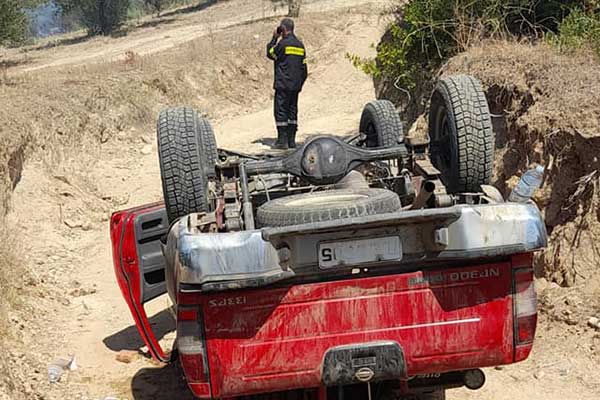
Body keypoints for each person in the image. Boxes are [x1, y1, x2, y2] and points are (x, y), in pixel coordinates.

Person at [266, 18, 308, 149]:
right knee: (292, 112)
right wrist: (299, 84)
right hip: (295, 86)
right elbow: (304, 69)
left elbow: (270, 53)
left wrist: (274, 38)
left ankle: (282, 141)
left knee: (281, 111)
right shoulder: (300, 45)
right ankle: (291, 141)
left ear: (283, 29)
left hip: (283, 85)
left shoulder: (282, 44)